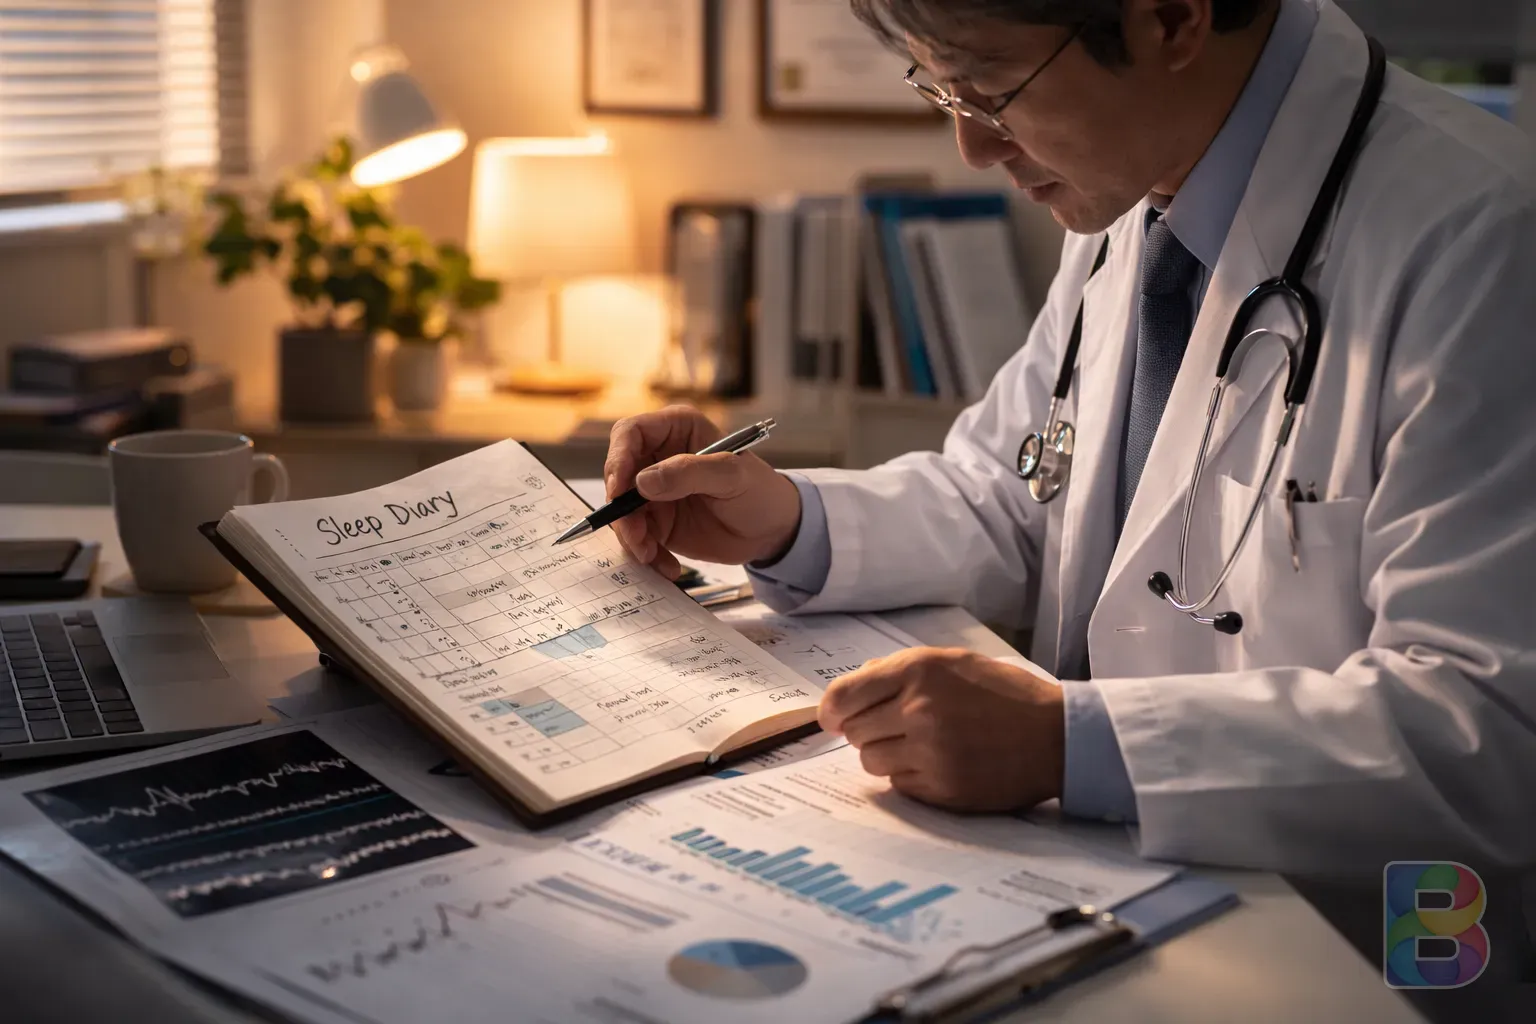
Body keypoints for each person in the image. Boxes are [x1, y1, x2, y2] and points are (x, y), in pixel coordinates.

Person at [603, 0, 1536, 1009]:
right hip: (1099, 902)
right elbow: (1015, 493)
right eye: (941, 87)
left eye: (990, 87)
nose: (970, 144)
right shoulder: (1140, 186)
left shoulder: (1489, 242)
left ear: (1172, 20)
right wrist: (785, 519)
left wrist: (1071, 743)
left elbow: (1485, 730)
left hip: (1372, 951)